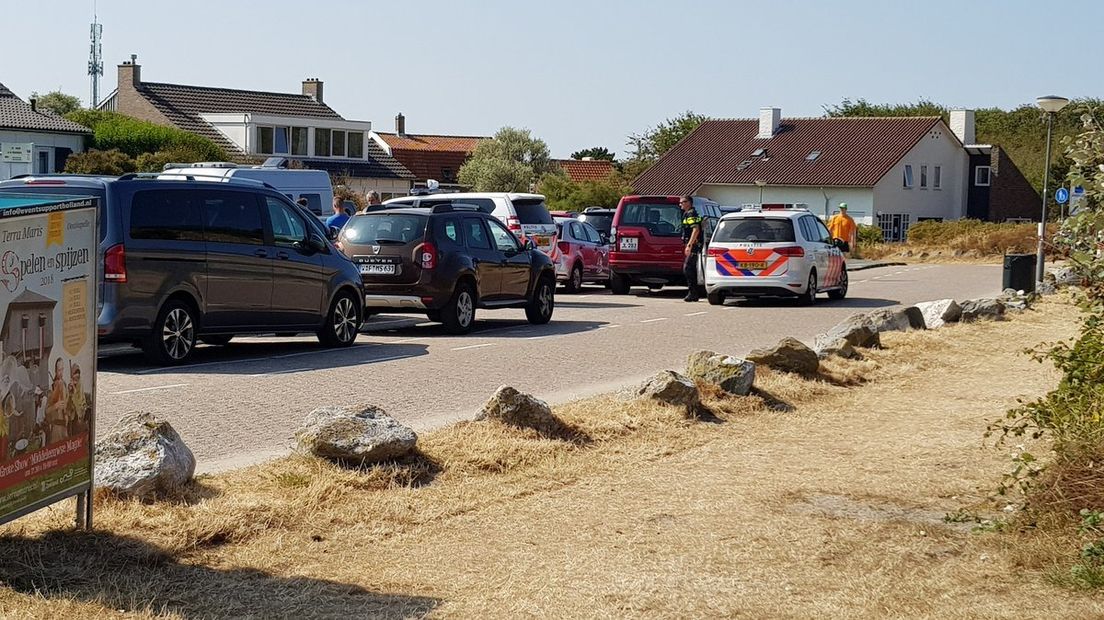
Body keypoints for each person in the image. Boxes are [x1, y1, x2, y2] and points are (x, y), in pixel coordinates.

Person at [679, 195, 704, 302]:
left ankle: (693, 293)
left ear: (689, 202)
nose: (680, 204)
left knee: (688, 268)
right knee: (690, 268)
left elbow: (696, 230)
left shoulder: (691, 213)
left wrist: (689, 245)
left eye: (683, 202)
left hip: (693, 245)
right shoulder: (688, 213)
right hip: (692, 244)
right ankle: (693, 293)